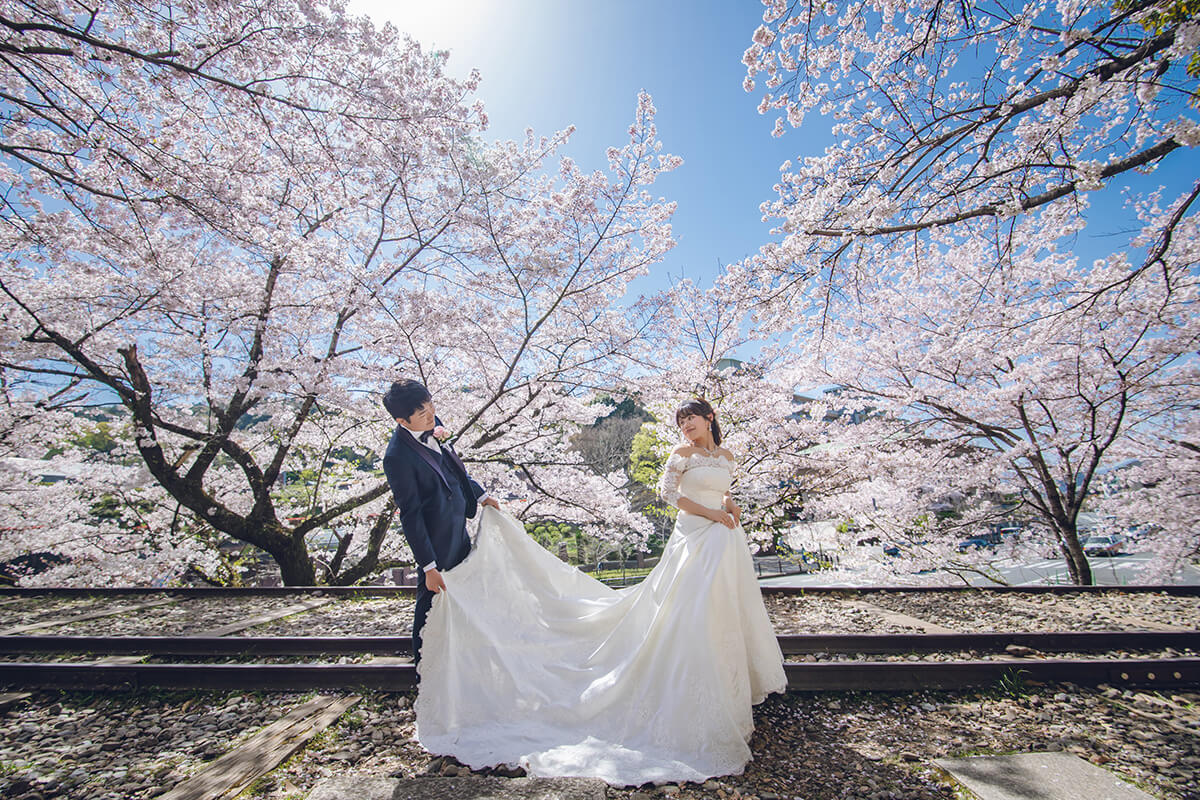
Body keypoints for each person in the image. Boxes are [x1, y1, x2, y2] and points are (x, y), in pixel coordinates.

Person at [413, 398, 786, 786]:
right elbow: (670, 494)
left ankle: (729, 688)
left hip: (725, 537)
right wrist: (712, 513)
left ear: (709, 417)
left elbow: (721, 489)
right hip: (695, 536)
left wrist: (729, 504)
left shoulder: (725, 454)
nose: (686, 425)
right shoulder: (681, 452)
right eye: (681, 421)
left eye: (691, 418)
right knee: (691, 609)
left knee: (726, 606)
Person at [381, 379, 498, 664]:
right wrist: (429, 566)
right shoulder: (397, 457)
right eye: (422, 412)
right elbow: (410, 513)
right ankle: (425, 664)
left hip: (458, 525)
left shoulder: (434, 423)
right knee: (431, 597)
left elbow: (453, 468)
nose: (431, 413)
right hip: (435, 537)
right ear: (401, 420)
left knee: (463, 587)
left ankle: (462, 651)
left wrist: (480, 495)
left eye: (430, 404)